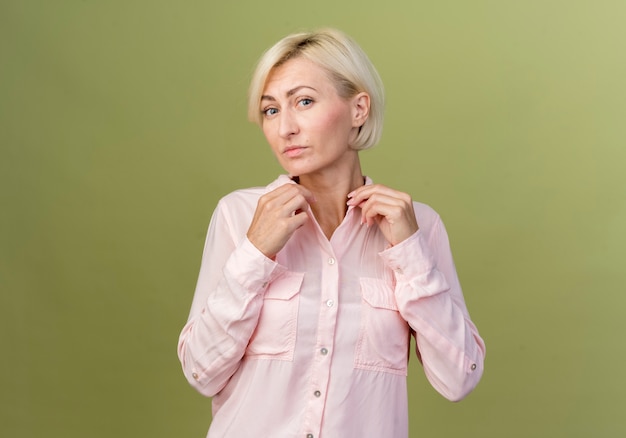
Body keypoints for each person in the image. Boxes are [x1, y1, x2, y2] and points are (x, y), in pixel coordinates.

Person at [177, 28, 485, 438]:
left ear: (358, 109)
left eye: (304, 101)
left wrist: (411, 253)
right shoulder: (239, 215)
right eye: (270, 110)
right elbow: (200, 371)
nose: (285, 127)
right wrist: (255, 254)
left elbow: (459, 378)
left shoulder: (418, 227)